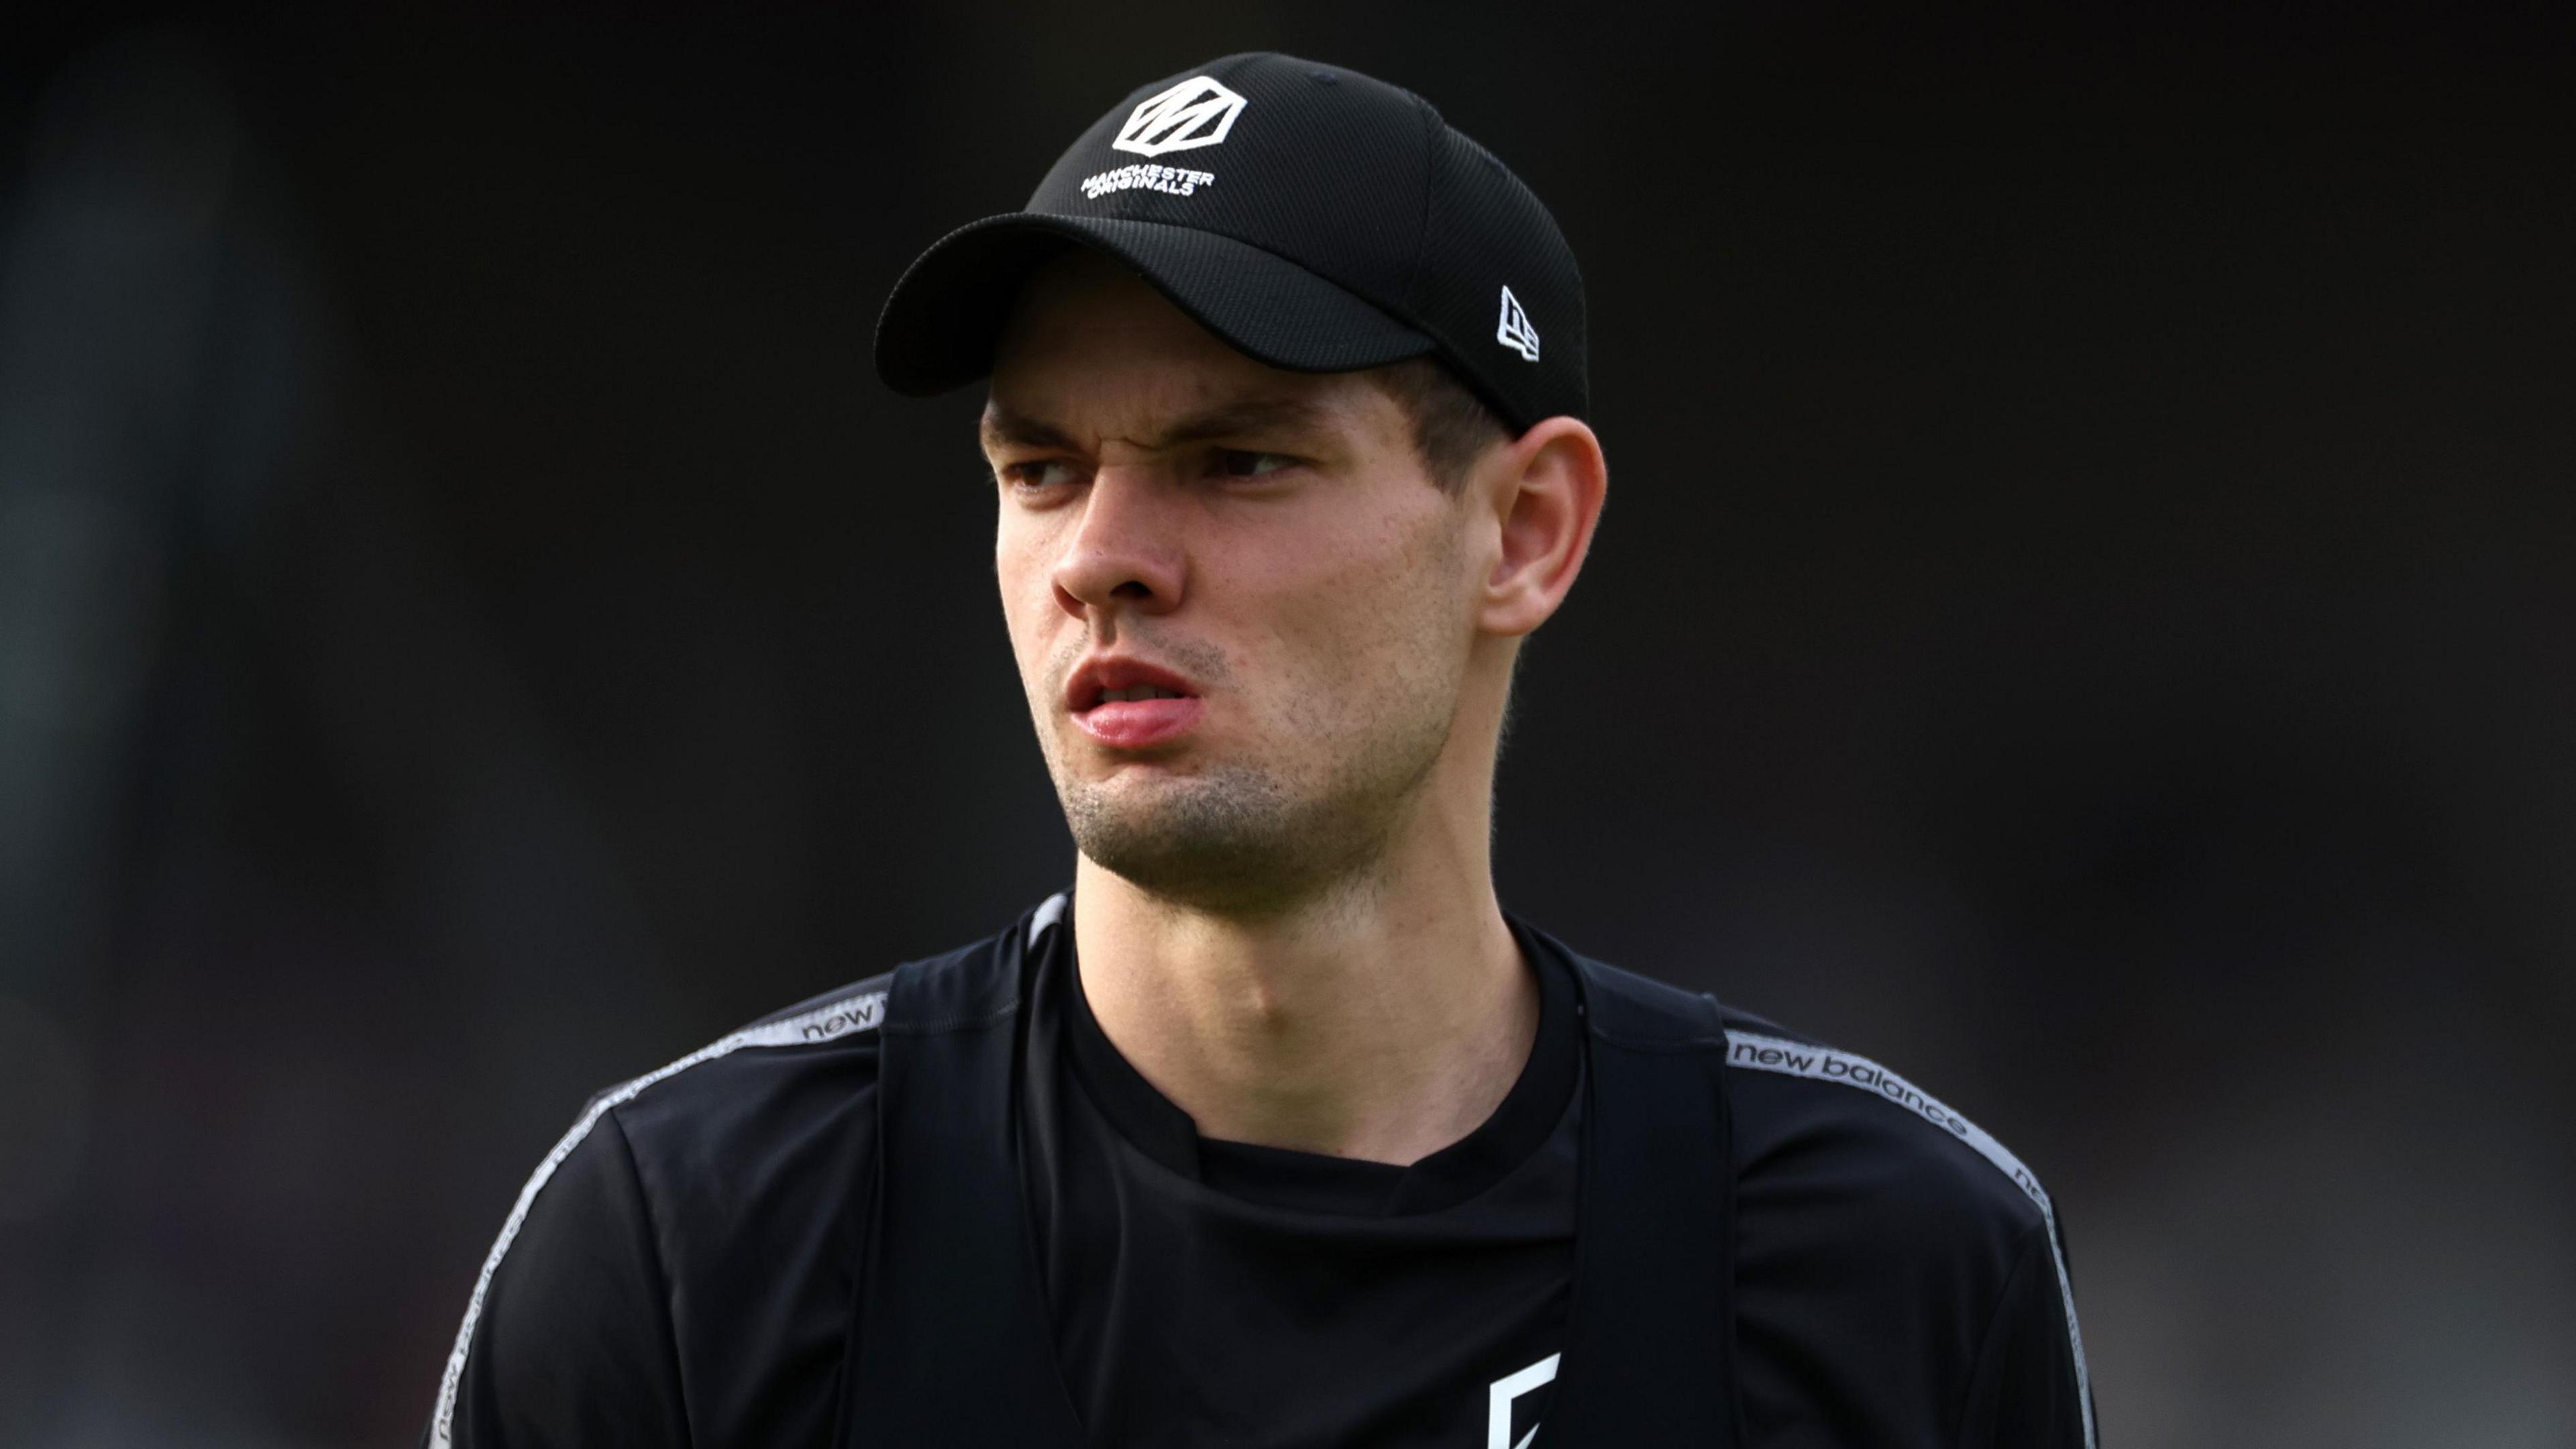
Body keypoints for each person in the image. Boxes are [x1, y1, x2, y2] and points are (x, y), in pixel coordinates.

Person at [425, 52, 2096, 1449]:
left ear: (1525, 530)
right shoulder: (694, 1245)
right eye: (1041, 468)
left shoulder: (1886, 1261)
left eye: (1238, 460)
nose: (1099, 557)